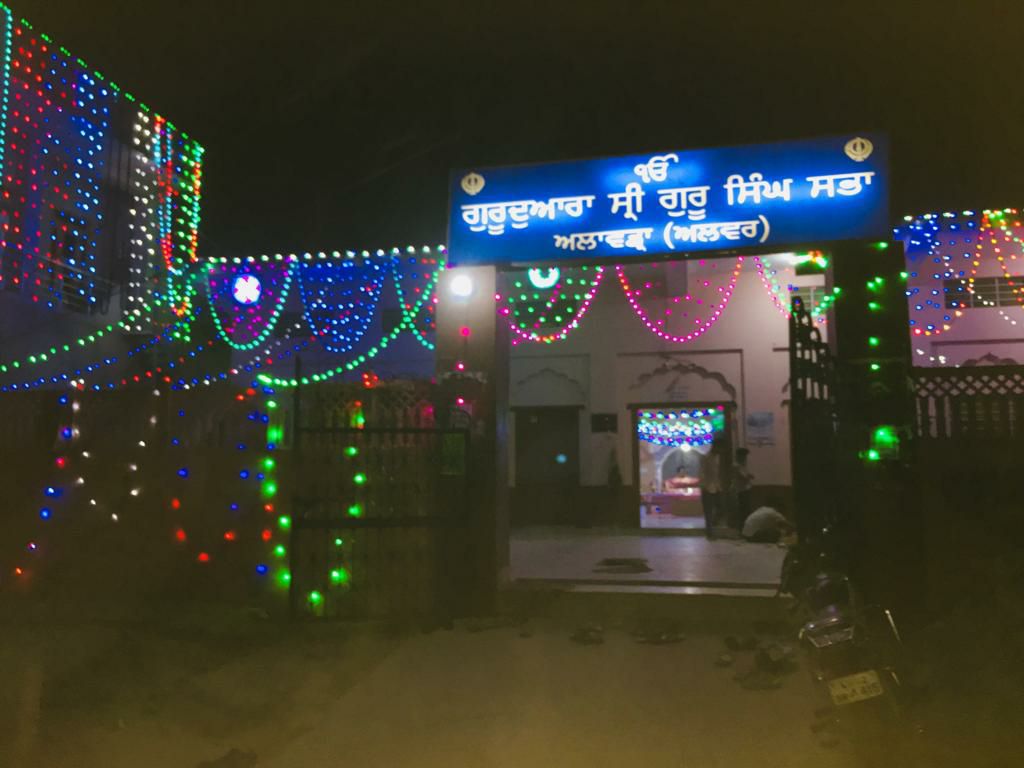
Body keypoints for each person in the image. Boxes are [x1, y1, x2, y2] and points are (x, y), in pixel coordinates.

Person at [698, 438, 725, 538]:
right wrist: (703, 486)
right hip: (707, 487)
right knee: (708, 511)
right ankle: (709, 532)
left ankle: (713, 527)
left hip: (717, 487)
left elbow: (718, 474)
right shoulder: (705, 457)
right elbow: (702, 472)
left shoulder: (718, 458)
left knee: (720, 508)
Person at [732, 448, 753, 531]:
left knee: (746, 510)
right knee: (742, 511)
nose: (745, 458)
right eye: (743, 456)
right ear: (739, 456)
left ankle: (745, 529)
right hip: (740, 491)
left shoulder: (743, 465)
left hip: (745, 489)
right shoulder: (736, 465)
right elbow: (743, 476)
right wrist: (749, 476)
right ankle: (741, 530)